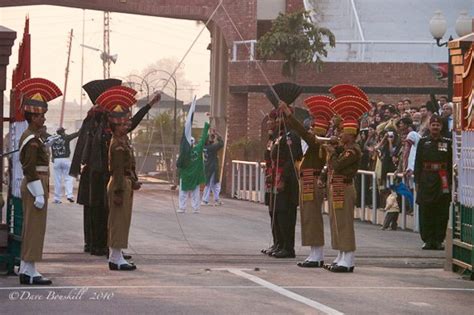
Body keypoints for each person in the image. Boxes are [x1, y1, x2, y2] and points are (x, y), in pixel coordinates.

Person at [16, 77, 63, 285]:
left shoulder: (35, 137)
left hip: (37, 182)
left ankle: (28, 268)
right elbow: (29, 167)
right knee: (34, 228)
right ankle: (29, 271)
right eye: (41, 116)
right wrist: (39, 193)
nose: (43, 119)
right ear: (33, 117)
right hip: (35, 183)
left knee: (33, 228)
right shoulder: (32, 140)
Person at [280, 99, 330, 267]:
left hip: (312, 181)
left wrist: (289, 114)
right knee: (308, 218)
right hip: (307, 180)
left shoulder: (318, 142)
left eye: (314, 127)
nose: (310, 128)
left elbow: (302, 132)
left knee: (313, 218)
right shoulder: (315, 143)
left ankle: (317, 254)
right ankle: (314, 253)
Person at [323, 95, 369, 273]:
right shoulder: (345, 149)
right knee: (337, 222)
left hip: (345, 186)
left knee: (344, 223)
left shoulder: (353, 150)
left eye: (343, 132)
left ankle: (348, 258)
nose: (340, 135)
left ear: (350, 135)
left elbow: (337, 165)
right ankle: (342, 254)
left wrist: (332, 152)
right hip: (338, 186)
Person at [105, 103, 139, 271]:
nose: (126, 127)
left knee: (121, 221)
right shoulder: (117, 145)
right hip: (120, 184)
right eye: (123, 125)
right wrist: (118, 191)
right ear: (116, 126)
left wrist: (133, 180)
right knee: (118, 221)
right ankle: (116, 257)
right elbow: (118, 170)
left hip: (124, 183)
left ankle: (116, 255)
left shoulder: (122, 141)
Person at [414, 115, 452, 250]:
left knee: (441, 210)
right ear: (429, 126)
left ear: (441, 127)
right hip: (426, 178)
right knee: (426, 210)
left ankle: (438, 239)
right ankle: (427, 239)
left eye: (438, 125)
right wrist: (417, 181)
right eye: (433, 125)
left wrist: (451, 182)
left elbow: (451, 163)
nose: (435, 127)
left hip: (442, 179)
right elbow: (417, 163)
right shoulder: (423, 142)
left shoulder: (447, 142)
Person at [177, 122, 210, 214]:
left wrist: (186, 128)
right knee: (195, 193)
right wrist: (206, 126)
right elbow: (203, 139)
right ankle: (196, 208)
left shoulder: (184, 153)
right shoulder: (197, 150)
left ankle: (182, 208)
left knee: (183, 193)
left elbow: (178, 164)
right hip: (194, 176)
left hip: (186, 176)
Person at [51, 127, 79, 204]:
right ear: (63, 132)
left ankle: (57, 198)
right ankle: (69, 195)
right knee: (68, 178)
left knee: (57, 180)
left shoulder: (52, 138)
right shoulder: (66, 137)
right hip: (66, 159)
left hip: (56, 160)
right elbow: (76, 134)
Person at [201, 128, 224, 206]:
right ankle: (205, 200)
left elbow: (210, 142)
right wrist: (217, 134)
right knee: (212, 184)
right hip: (212, 167)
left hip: (207, 167)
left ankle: (216, 199)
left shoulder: (204, 147)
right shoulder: (211, 148)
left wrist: (212, 136)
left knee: (213, 184)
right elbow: (221, 143)